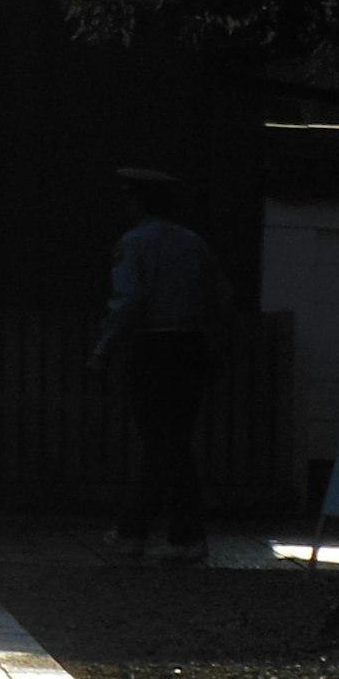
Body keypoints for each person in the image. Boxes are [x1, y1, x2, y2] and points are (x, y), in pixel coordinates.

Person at [90, 167, 227, 560]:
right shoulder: (194, 243)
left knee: (160, 441)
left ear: (136, 201)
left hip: (154, 346)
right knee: (172, 440)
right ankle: (144, 529)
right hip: (192, 345)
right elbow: (219, 295)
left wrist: (103, 347)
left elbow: (128, 300)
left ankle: (170, 534)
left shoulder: (134, 244)